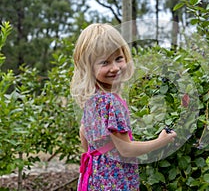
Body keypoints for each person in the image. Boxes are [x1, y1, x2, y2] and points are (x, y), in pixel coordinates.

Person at [70, 23, 177, 191]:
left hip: (95, 178)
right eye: (105, 62)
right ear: (89, 68)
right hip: (114, 180)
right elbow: (125, 150)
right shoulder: (111, 103)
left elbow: (83, 133)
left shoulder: (93, 98)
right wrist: (160, 142)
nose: (114, 68)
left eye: (119, 59)